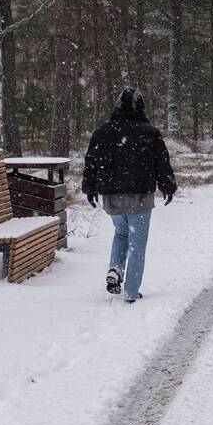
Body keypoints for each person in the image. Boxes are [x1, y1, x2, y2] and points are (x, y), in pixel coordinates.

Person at [82, 87, 177, 304]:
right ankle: (132, 291)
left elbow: (92, 161)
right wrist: (168, 187)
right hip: (140, 195)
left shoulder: (103, 132)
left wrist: (90, 187)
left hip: (112, 195)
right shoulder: (149, 133)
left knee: (122, 234)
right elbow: (161, 163)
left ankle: (115, 269)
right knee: (137, 242)